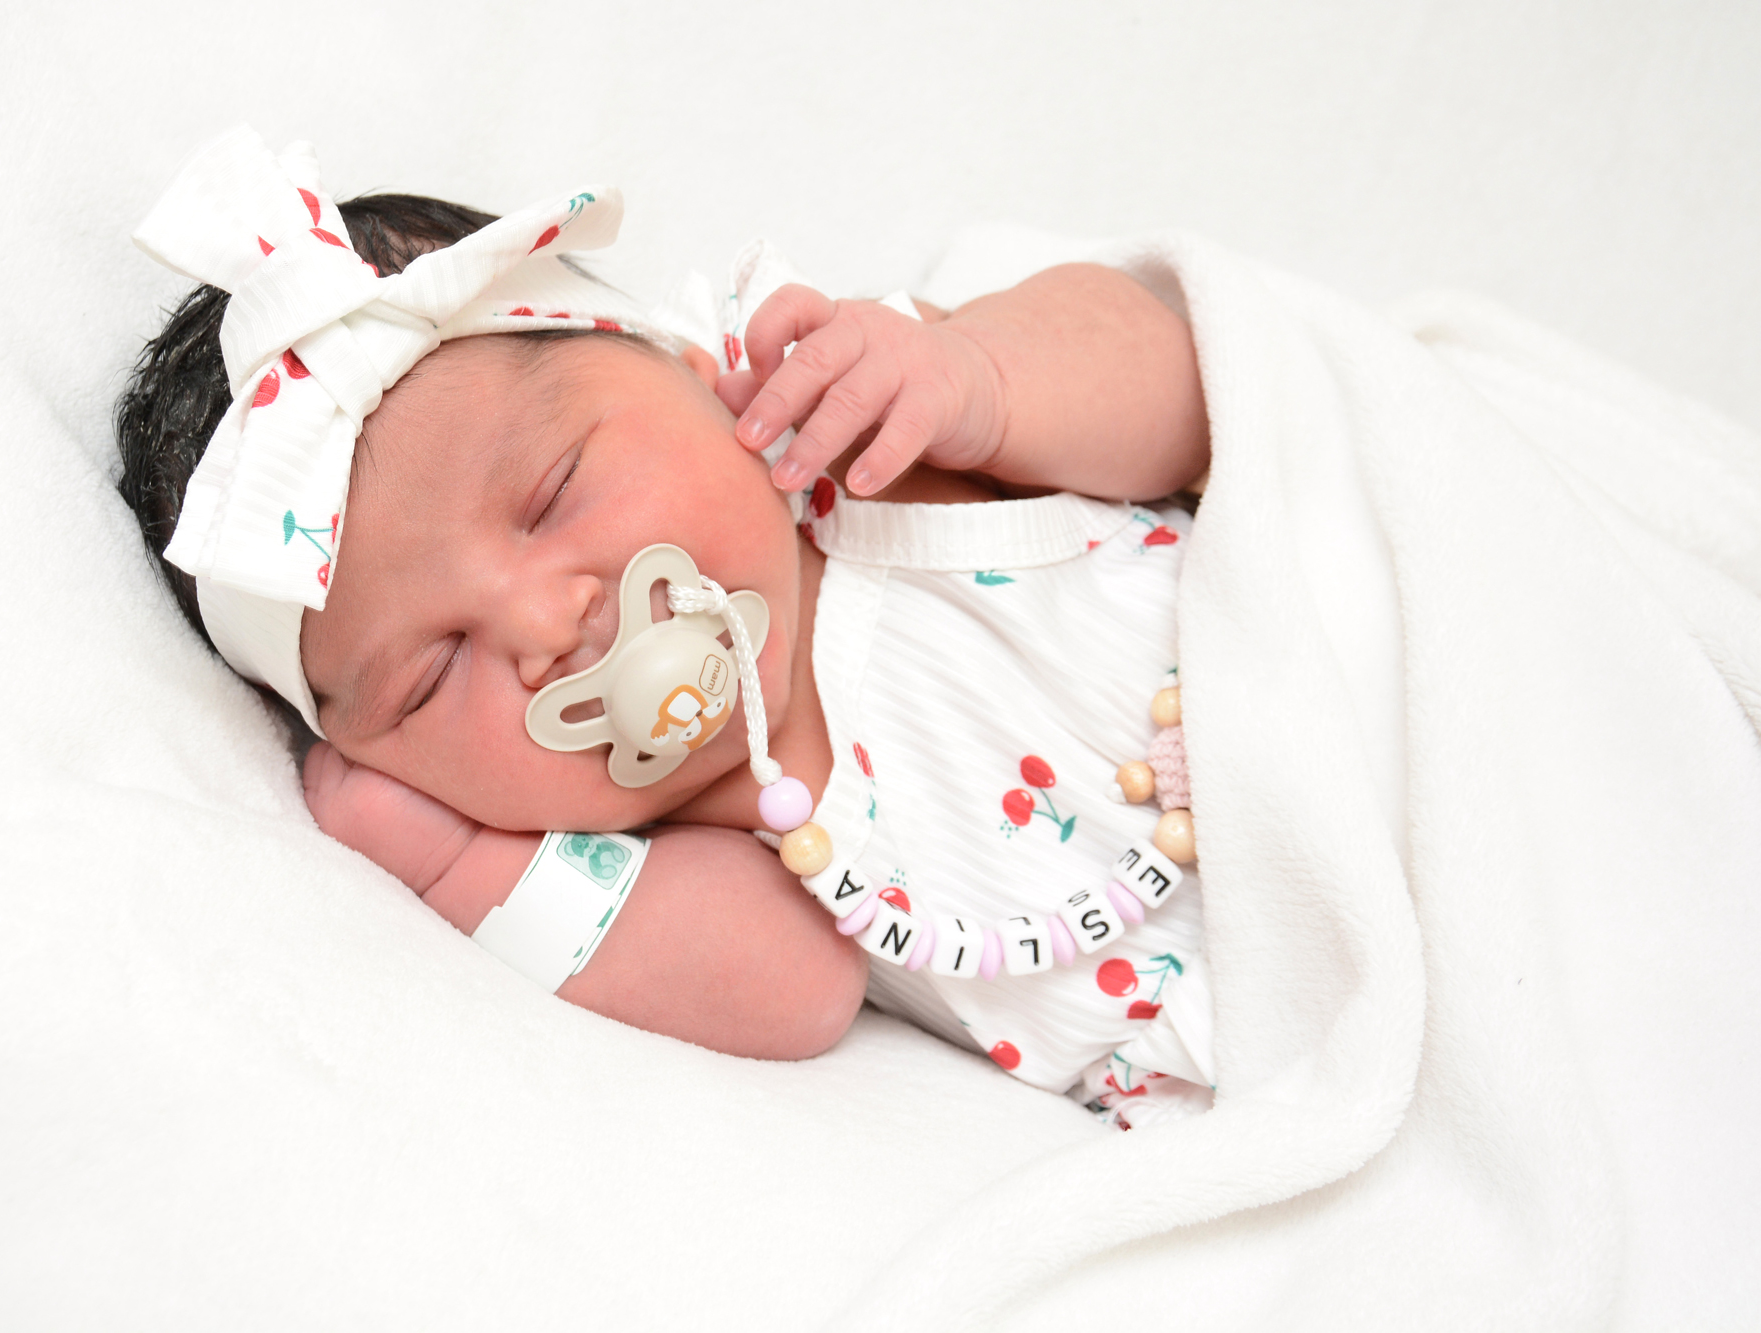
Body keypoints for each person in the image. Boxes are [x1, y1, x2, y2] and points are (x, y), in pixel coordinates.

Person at [118, 129, 1214, 1118]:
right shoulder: (701, 838)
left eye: (553, 492)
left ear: (692, 371)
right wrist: (448, 860)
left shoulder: (878, 436)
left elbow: (1188, 394)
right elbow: (797, 996)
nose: (546, 624)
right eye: (431, 674)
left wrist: (982, 378)